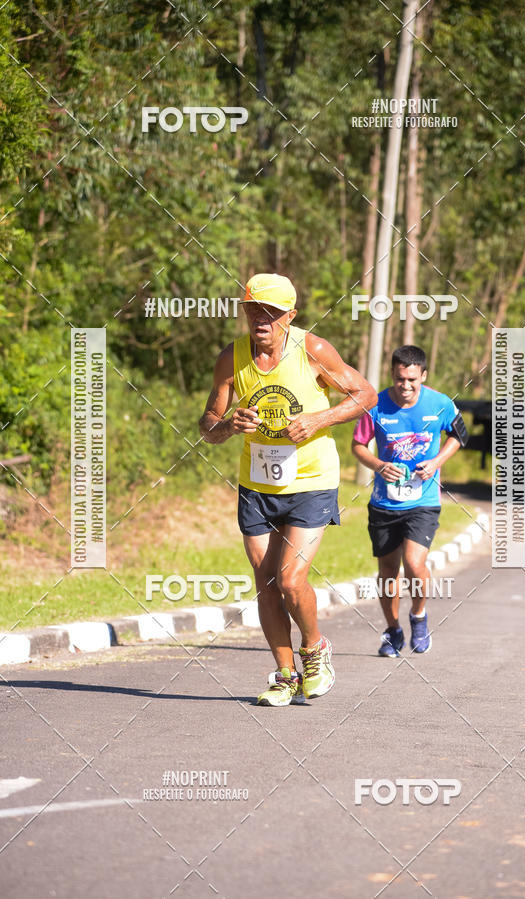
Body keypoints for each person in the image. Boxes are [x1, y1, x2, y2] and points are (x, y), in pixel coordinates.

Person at [199, 273, 377, 706]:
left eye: (272, 313)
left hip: (311, 481)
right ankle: (285, 675)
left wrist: (318, 420)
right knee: (265, 582)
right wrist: (228, 425)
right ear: (244, 310)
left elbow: (365, 394)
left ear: (290, 316)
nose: (261, 319)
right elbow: (207, 426)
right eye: (254, 309)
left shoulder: (312, 349)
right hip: (257, 483)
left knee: (291, 579)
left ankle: (315, 650)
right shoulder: (232, 358)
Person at [351, 345, 467, 656]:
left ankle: (418, 617)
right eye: (400, 379)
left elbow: (460, 436)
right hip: (384, 503)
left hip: (423, 501)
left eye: (413, 380)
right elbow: (358, 445)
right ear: (392, 375)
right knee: (388, 571)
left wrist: (437, 462)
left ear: (423, 376)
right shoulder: (375, 406)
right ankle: (392, 631)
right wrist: (379, 465)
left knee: (414, 563)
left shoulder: (440, 403)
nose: (406, 386)